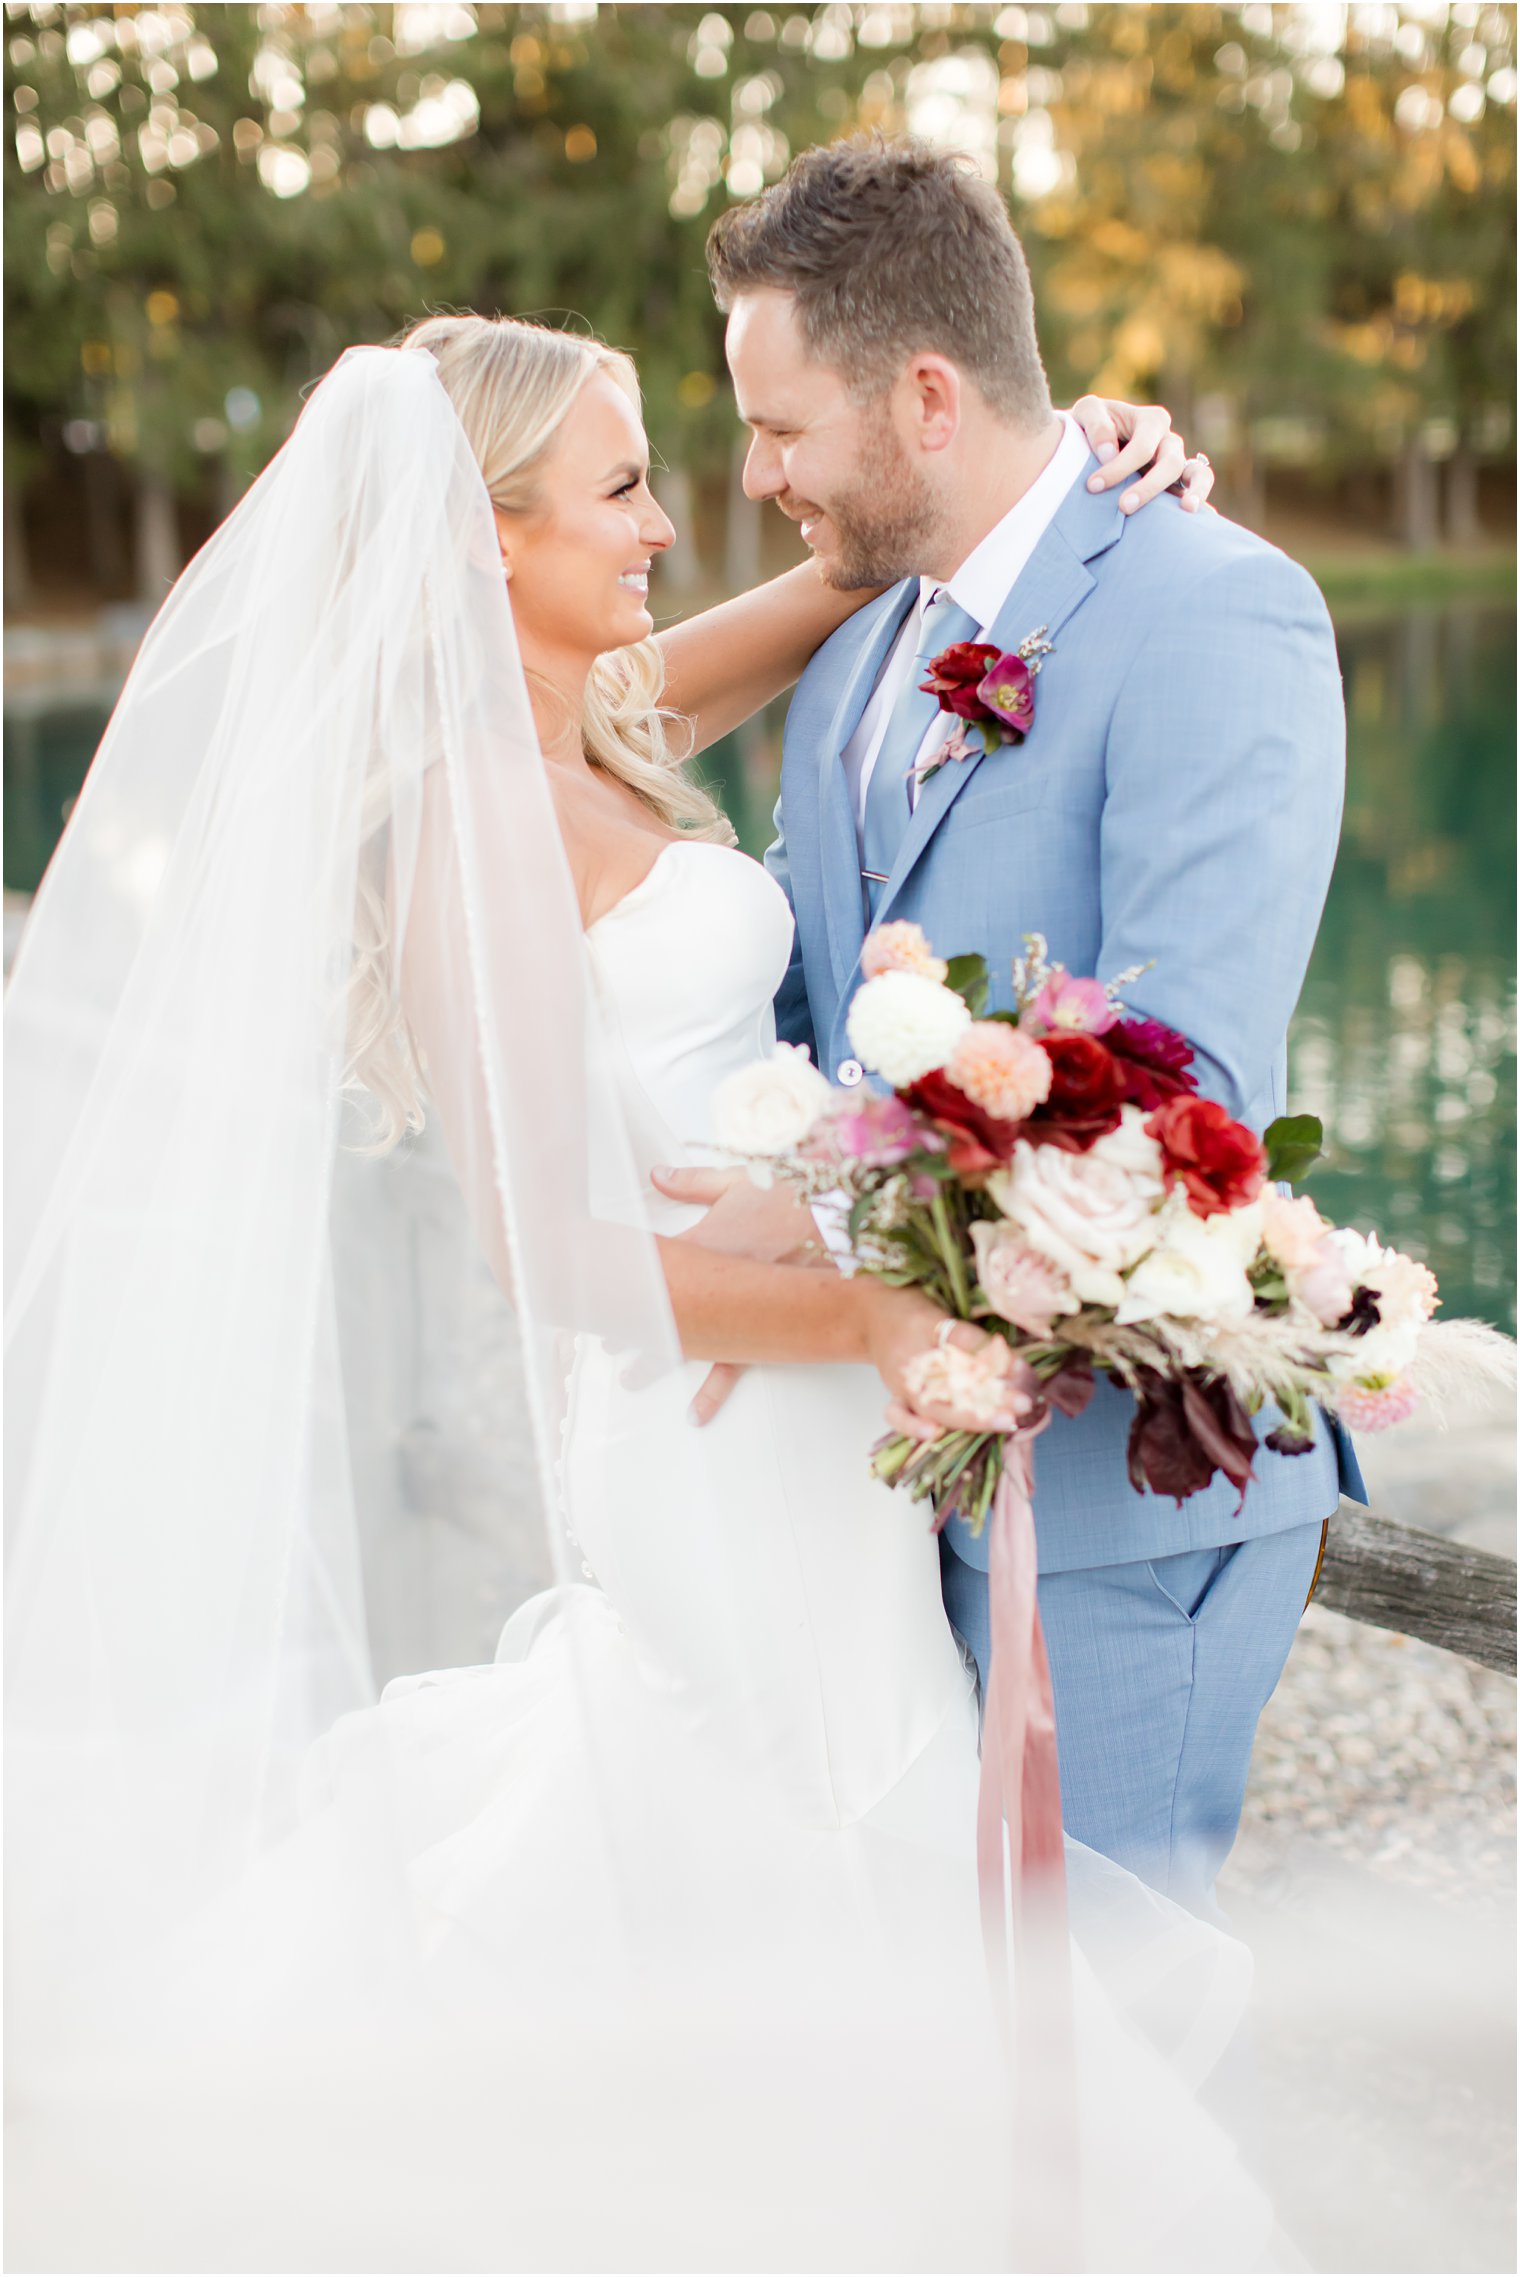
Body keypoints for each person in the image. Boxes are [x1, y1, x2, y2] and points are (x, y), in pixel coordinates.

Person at [5, 320, 1270, 2270]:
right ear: (486, 536)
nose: (669, 521)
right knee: (840, 1852)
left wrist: (1074, 444)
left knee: (872, 1852)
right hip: (709, 1424)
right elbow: (549, 1253)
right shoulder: (463, 811)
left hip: (796, 1419)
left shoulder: (587, 719)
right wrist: (863, 1317)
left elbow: (859, 560)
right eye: (616, 487)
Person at [658, 134, 1368, 1924]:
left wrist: (819, 1207)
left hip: (1126, 1497)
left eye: (782, 426)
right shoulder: (850, 668)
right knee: (956, 2058)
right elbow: (817, 1020)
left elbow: (1181, 1082)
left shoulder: (1216, 611)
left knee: (1113, 2068)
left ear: (920, 396)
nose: (757, 476)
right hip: (893, 1494)